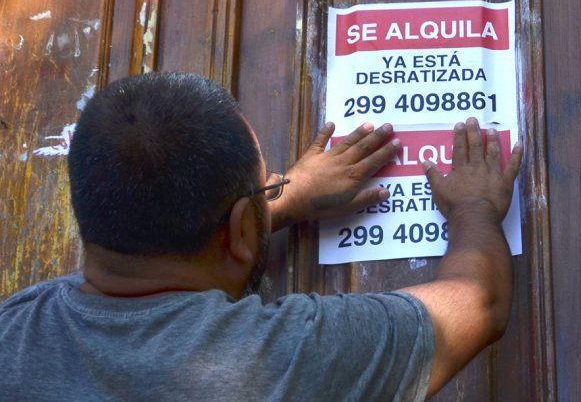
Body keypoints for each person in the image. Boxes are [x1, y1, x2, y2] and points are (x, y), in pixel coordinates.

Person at [0, 72, 522, 401]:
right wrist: (474, 208)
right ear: (240, 232)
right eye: (266, 187)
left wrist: (274, 202)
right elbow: (480, 303)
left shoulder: (12, 333)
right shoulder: (280, 358)